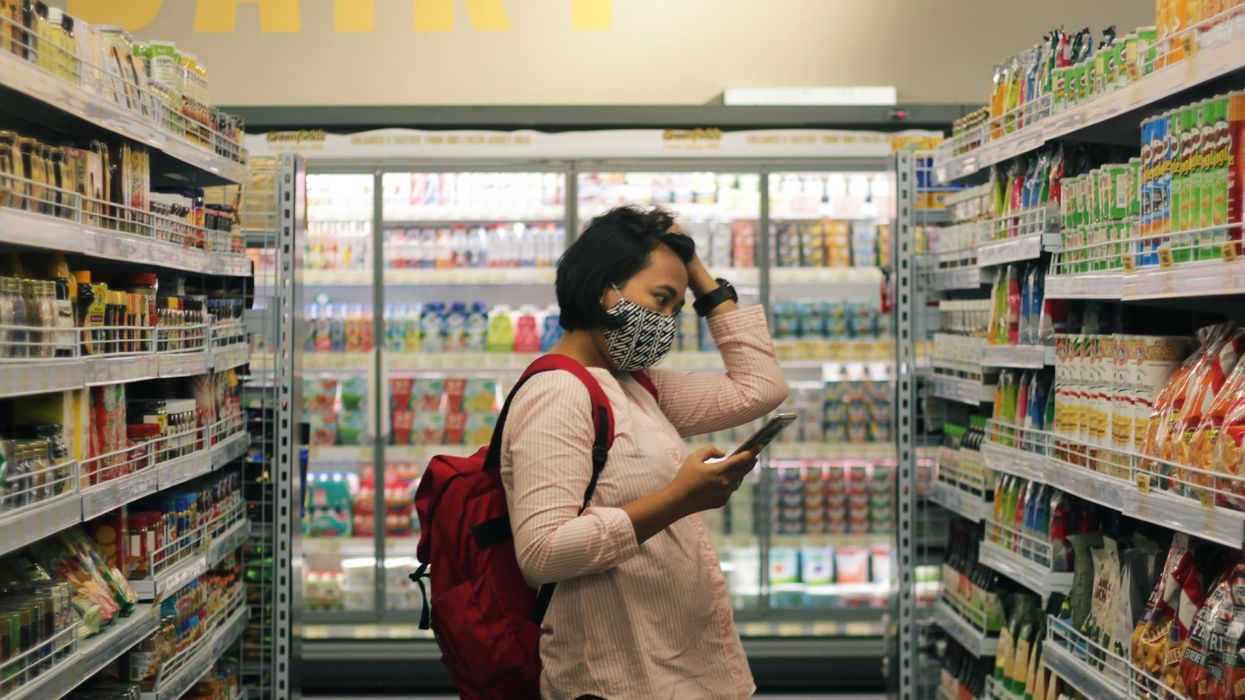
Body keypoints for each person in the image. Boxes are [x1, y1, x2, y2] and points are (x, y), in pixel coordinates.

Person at [499, 205, 789, 699]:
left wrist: (694, 270)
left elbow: (761, 388)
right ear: (603, 289)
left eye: (675, 310)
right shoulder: (559, 393)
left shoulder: (634, 386)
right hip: (614, 682)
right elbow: (542, 553)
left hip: (669, 672)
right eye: (659, 300)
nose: (665, 323)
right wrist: (681, 499)